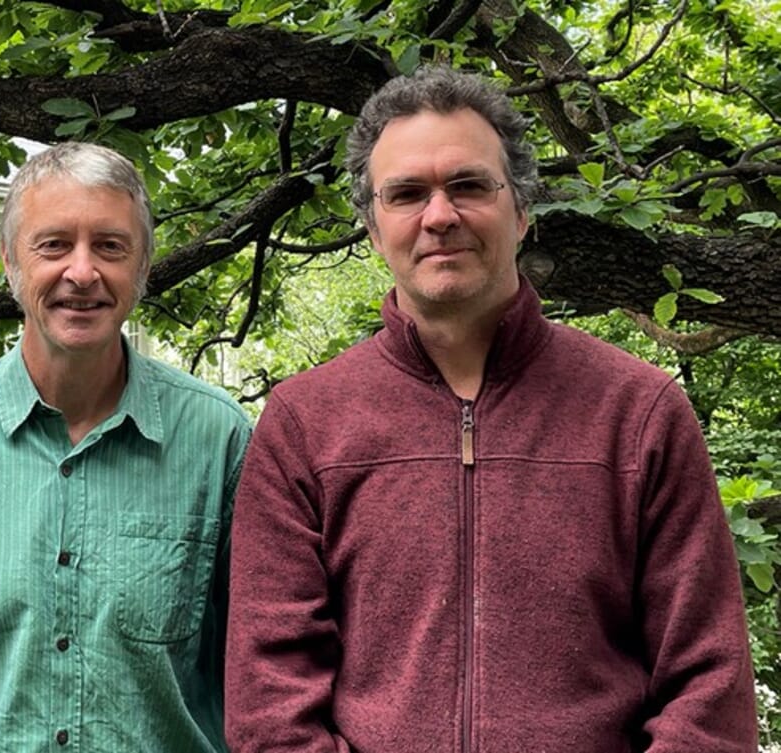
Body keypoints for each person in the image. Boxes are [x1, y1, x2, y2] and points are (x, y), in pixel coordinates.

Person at [225, 66, 757, 752]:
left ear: (522, 210)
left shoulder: (640, 413)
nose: (439, 216)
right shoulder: (305, 425)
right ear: (370, 225)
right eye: (408, 193)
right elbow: (270, 702)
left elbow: (709, 688)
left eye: (470, 185)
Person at [0, 142, 251, 752]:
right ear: (10, 260)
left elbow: (261, 673)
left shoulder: (218, 439)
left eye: (110, 246)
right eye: (53, 244)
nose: (81, 273)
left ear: (142, 266)